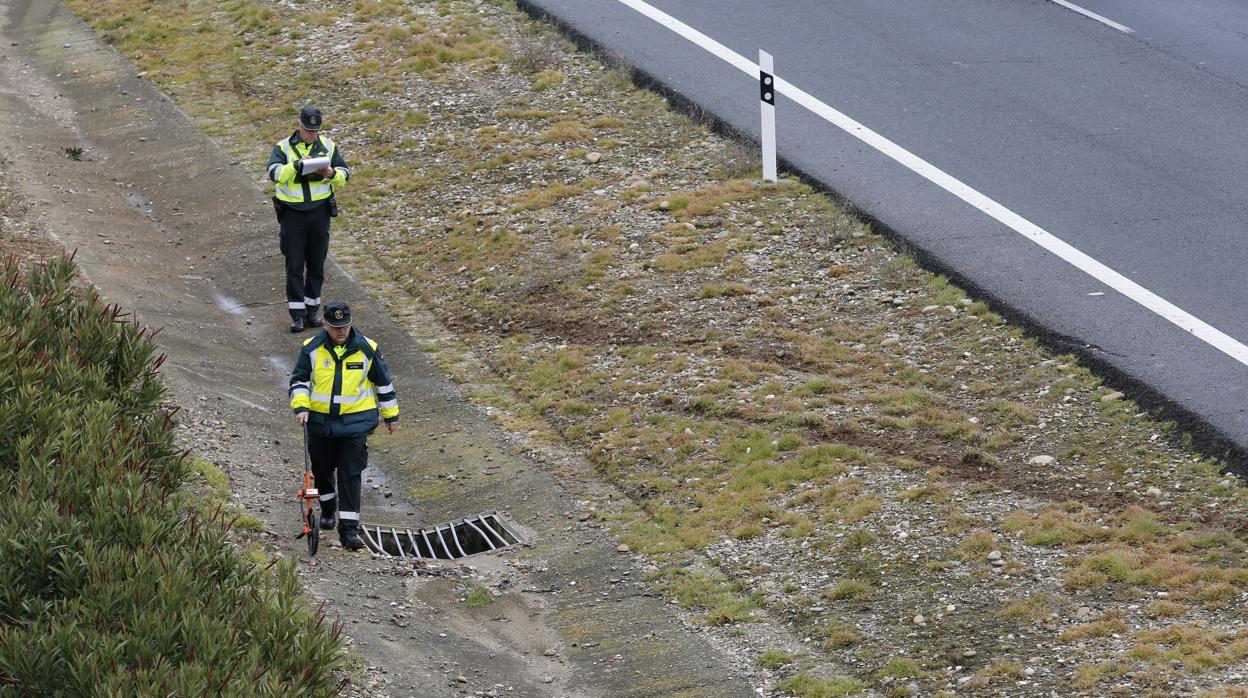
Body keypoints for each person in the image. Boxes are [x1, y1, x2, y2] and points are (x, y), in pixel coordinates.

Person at [288, 301, 398, 550]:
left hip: (355, 425)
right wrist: (301, 406)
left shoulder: (367, 348)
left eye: (345, 326)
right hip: (321, 424)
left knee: (351, 474)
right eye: (336, 327)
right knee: (322, 471)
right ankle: (328, 507)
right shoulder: (311, 349)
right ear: (326, 325)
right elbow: (299, 381)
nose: (341, 331)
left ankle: (349, 531)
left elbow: (384, 384)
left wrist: (391, 416)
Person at [267, 105, 350, 333]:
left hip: (319, 213)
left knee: (316, 264)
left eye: (315, 131)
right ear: (299, 125)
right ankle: (297, 315)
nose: (311, 134)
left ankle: (312, 311)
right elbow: (274, 173)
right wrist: (296, 166)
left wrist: (332, 174)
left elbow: (345, 174)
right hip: (292, 214)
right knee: (294, 264)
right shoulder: (283, 147)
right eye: (307, 130)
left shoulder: (329, 146)